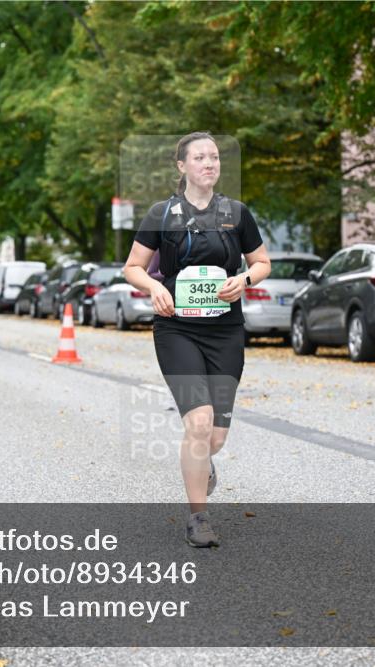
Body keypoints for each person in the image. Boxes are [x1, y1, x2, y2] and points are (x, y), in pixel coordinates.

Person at [123, 132, 271, 547]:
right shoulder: (161, 213)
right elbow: (133, 266)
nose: (209, 163)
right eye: (200, 157)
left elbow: (261, 262)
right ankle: (198, 518)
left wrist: (243, 278)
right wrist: (152, 288)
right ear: (182, 166)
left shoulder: (237, 214)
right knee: (200, 422)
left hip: (225, 330)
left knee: (216, 437)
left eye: (215, 157)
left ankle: (201, 466)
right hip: (177, 329)